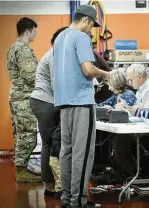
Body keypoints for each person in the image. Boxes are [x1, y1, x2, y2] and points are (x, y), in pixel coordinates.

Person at [53, 5, 108, 208]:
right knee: (82, 153)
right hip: (82, 102)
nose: (91, 29)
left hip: (63, 102)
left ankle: (68, 198)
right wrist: (106, 74)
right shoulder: (81, 37)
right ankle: (78, 201)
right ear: (85, 20)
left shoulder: (59, 38)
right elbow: (87, 69)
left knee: (66, 152)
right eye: (92, 25)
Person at [29, 27, 67, 197]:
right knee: (50, 143)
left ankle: (50, 186)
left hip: (42, 101)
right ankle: (53, 186)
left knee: (48, 143)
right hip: (45, 101)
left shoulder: (54, 53)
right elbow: (56, 84)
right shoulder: (55, 55)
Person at [6, 17, 41, 183]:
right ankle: (21, 171)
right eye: (35, 30)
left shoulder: (13, 48)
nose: (36, 34)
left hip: (16, 96)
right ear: (28, 31)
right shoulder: (23, 49)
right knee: (28, 134)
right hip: (24, 98)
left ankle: (22, 167)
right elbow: (30, 77)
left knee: (20, 134)